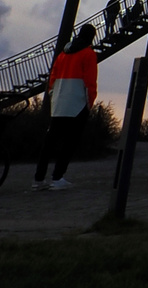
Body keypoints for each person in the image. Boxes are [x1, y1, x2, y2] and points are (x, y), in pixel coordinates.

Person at [34, 24, 98, 191]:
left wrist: (52, 95)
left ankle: (38, 179)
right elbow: (90, 81)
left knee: (49, 142)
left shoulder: (63, 54)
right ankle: (57, 177)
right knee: (69, 143)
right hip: (77, 103)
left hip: (59, 103)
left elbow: (53, 77)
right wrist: (89, 102)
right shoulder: (88, 54)